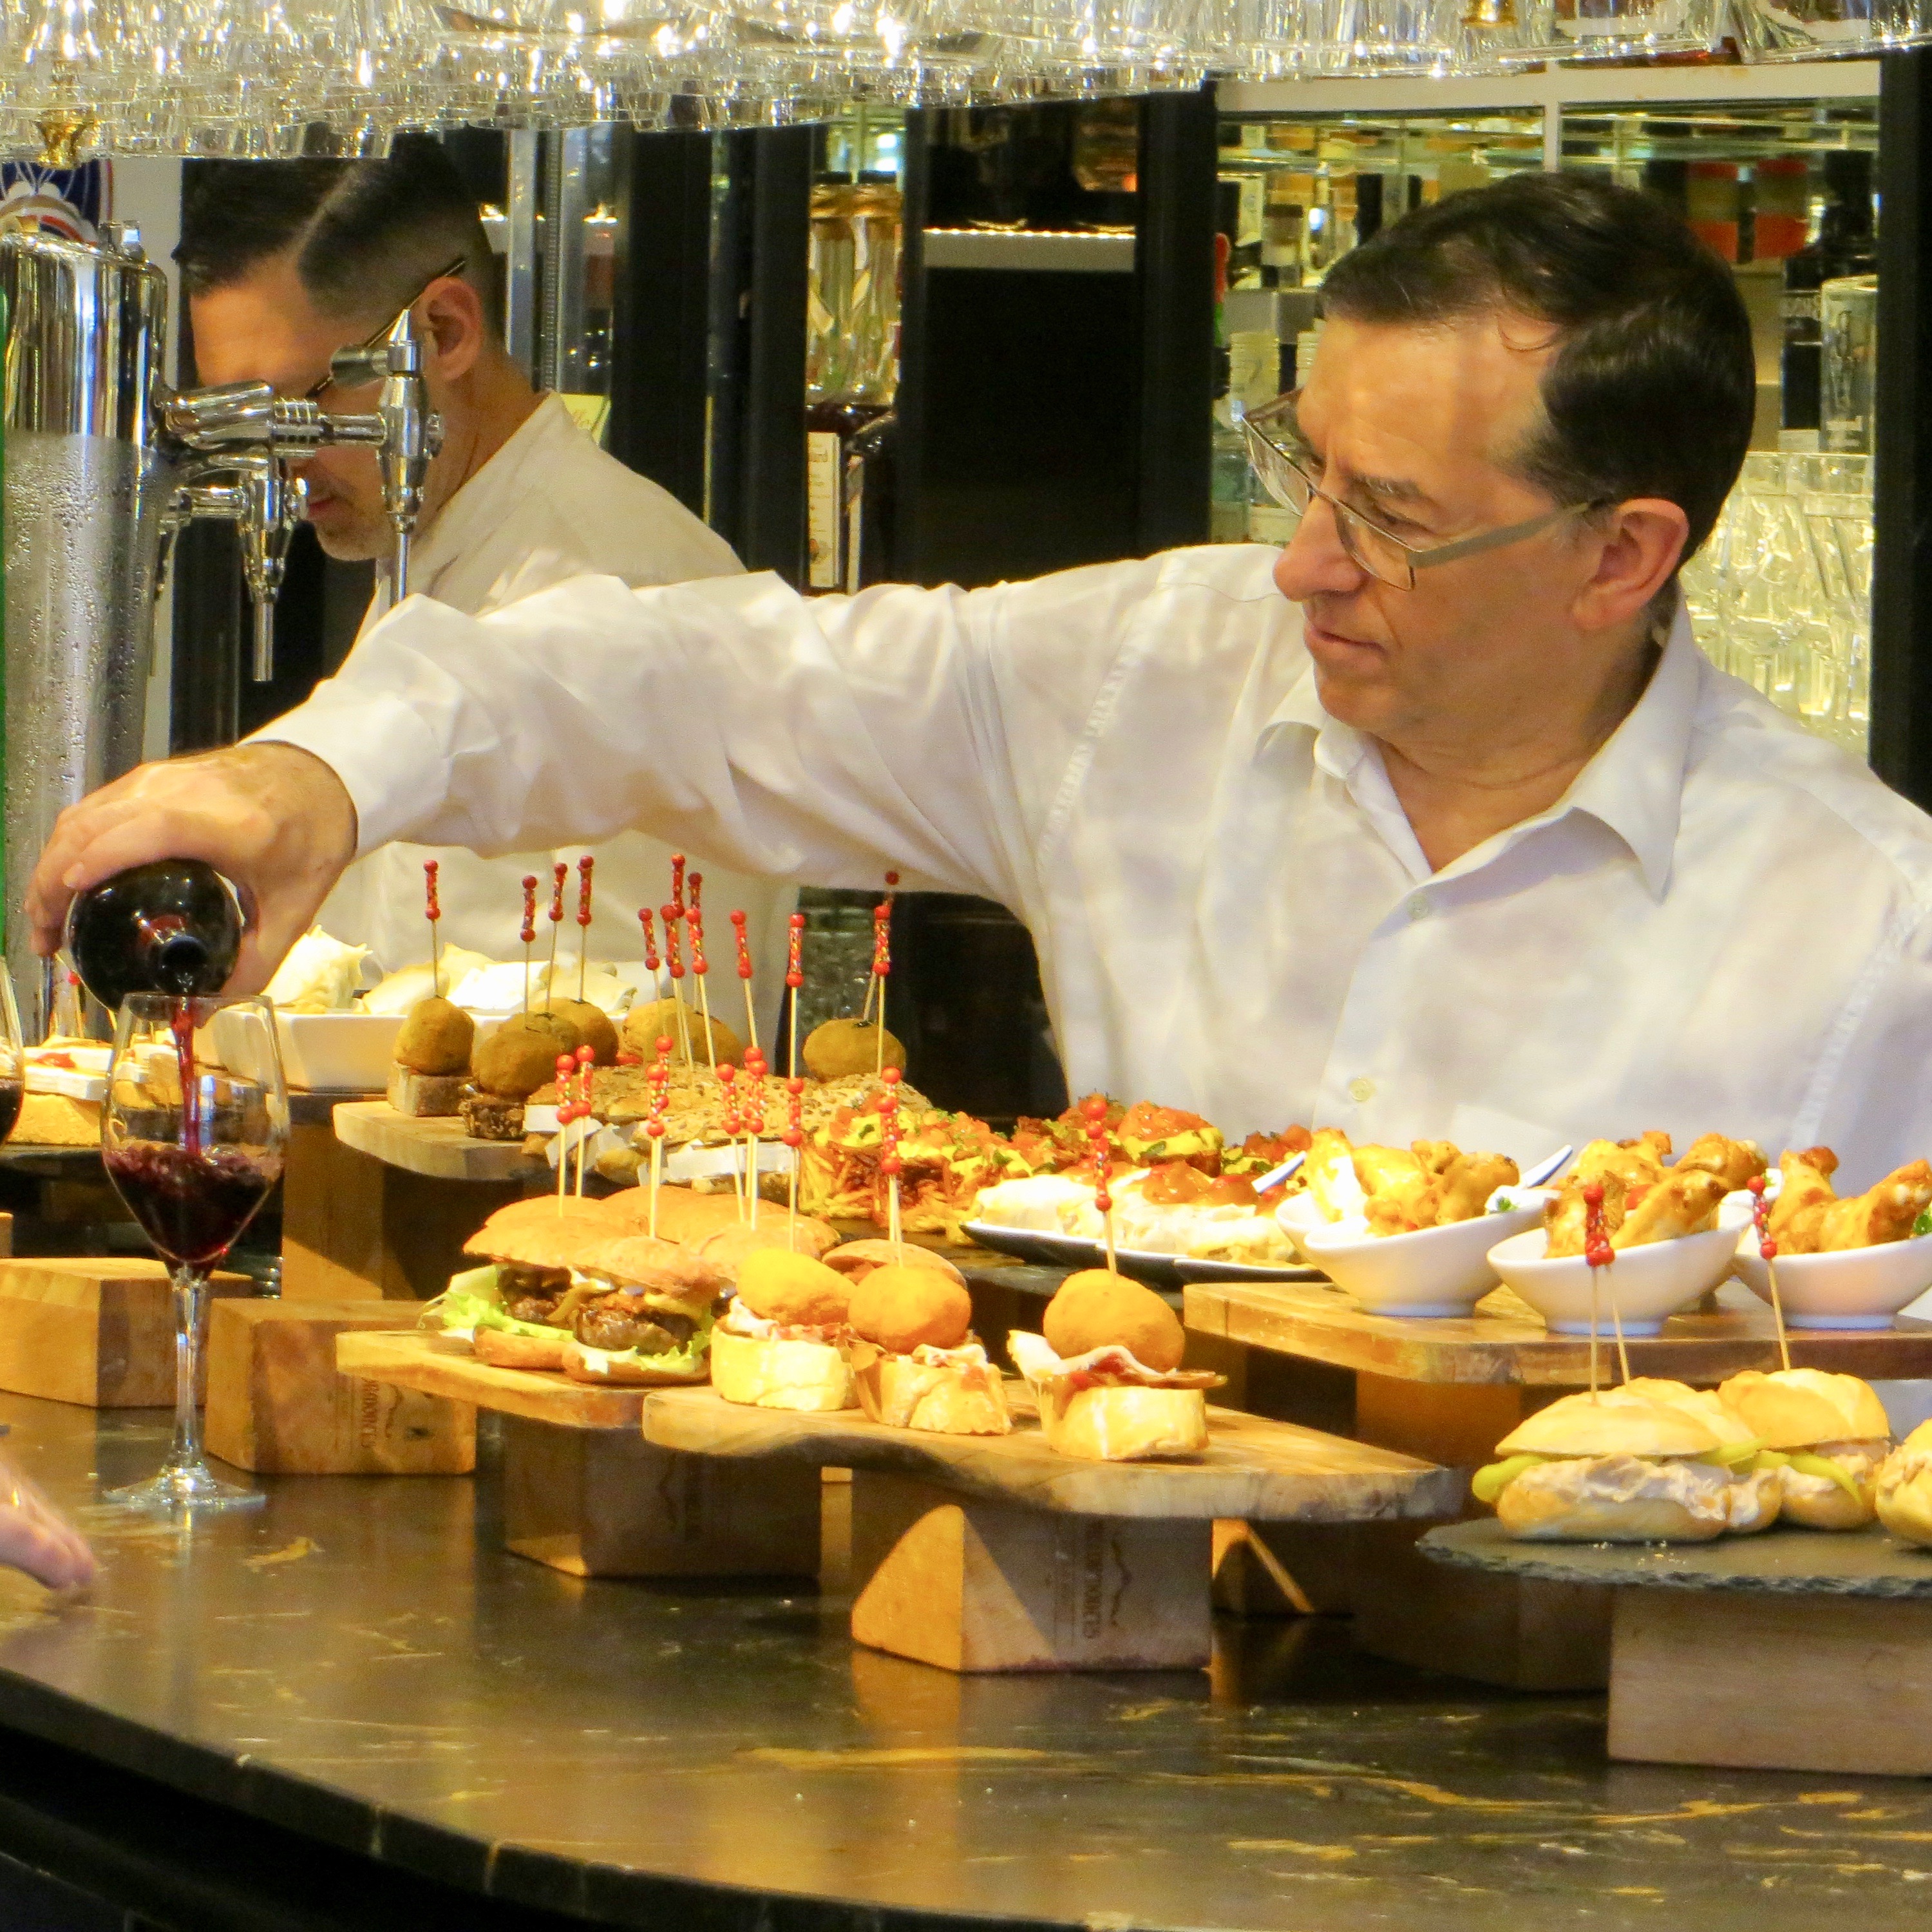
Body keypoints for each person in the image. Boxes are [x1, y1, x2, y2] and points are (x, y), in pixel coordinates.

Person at [36, 175, 1932, 1181]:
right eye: (1304, 470)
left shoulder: (1864, 935)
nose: (1304, 561)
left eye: (1393, 518)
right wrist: (318, 777)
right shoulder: (1159, 675)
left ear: (1623, 556)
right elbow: (691, 670)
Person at [177, 143, 792, 999]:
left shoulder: (618, 575)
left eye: (301, 409)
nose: (278, 462)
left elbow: (631, 1020)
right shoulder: (439, 545)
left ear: (445, 333)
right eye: (247, 425)